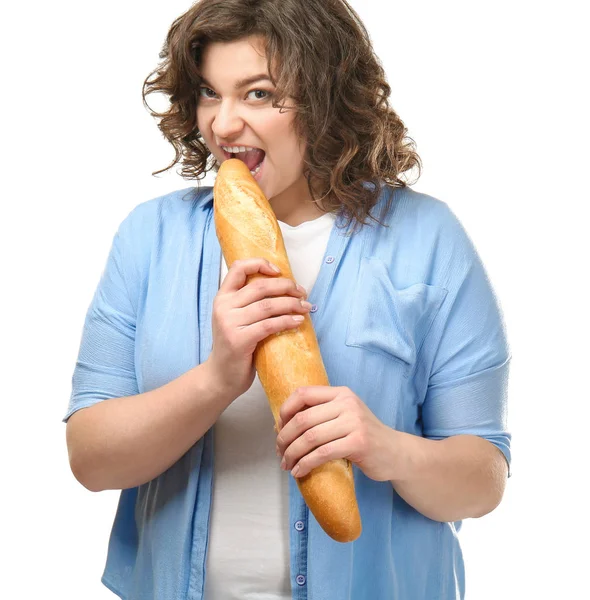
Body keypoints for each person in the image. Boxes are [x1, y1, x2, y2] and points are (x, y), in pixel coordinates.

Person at [64, 0, 511, 598]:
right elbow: (91, 460)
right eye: (207, 93)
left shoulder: (427, 240)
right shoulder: (151, 237)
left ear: (327, 101)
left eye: (257, 94)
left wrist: (389, 450)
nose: (222, 125)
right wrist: (217, 379)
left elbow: (483, 482)